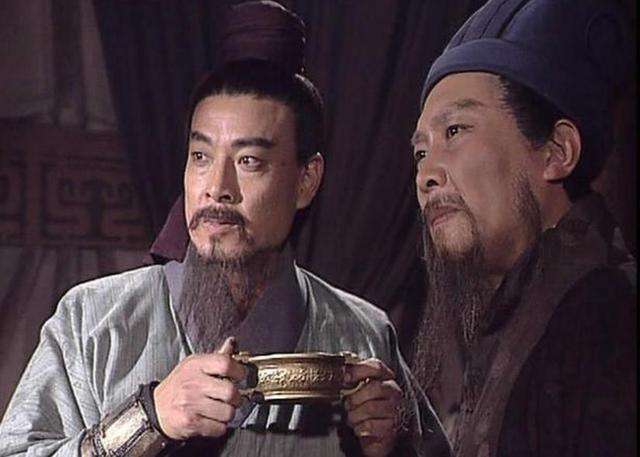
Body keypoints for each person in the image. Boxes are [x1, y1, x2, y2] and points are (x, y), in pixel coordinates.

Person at [0, 2, 451, 456]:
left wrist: (392, 444)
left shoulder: (363, 333)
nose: (216, 188)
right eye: (201, 157)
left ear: (306, 180)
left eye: (249, 161)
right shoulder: (94, 320)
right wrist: (149, 417)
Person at [409, 0, 636, 456]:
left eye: (454, 131)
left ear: (557, 152)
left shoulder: (609, 316)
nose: (426, 174)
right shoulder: (521, 312)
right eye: (420, 152)